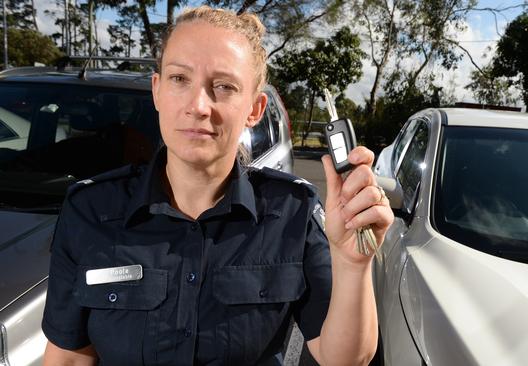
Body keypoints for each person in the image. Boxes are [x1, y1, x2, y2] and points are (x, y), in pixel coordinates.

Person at [42, 5, 393, 366]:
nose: (198, 106)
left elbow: (345, 359)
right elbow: (68, 358)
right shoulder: (89, 211)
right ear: (157, 91)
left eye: (224, 86)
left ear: (254, 110)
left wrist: (353, 263)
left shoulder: (292, 212)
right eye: (180, 79)